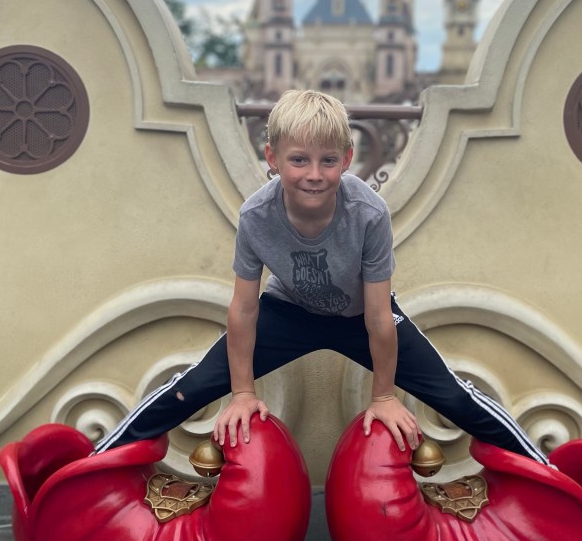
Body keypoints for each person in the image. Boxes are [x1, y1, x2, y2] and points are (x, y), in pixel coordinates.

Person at [94, 90, 549, 464]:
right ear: (272, 158)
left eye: (327, 160)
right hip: (287, 313)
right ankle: (90, 467)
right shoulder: (256, 216)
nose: (314, 175)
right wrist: (242, 392)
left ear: (347, 159)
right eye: (298, 160)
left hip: (360, 317)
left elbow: (378, 315)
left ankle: (552, 477)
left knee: (455, 397)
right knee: (187, 389)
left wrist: (384, 397)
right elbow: (244, 309)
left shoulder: (368, 213)